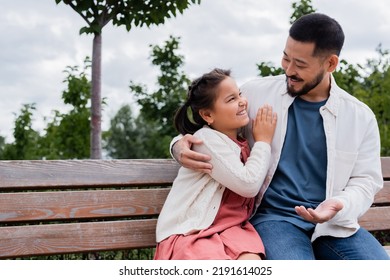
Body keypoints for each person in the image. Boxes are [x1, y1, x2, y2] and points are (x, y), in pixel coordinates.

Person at [170, 13, 390, 260]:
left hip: (335, 226)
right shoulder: (255, 93)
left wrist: (341, 204)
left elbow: (365, 181)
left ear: (330, 64)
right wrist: (177, 145)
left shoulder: (360, 117)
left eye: (301, 64)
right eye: (286, 58)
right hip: (274, 221)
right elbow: (211, 124)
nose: (289, 70)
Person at [154, 68, 277, 260]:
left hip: (233, 230)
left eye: (239, 94)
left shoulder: (241, 140)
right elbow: (248, 185)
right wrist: (263, 141)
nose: (242, 101)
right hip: (194, 231)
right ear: (208, 115)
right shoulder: (205, 140)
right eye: (231, 99)